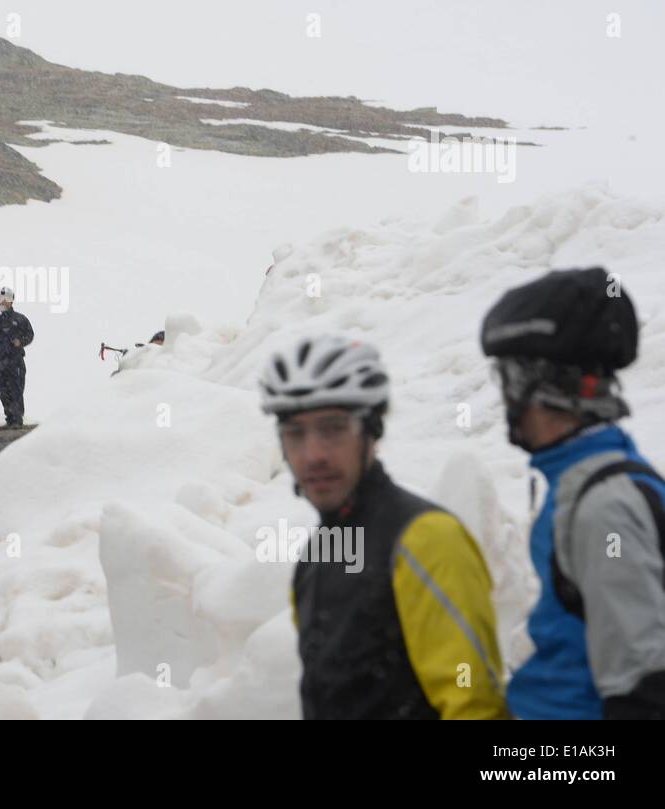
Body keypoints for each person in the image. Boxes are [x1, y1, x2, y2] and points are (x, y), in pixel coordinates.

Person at [260, 334, 508, 719]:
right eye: (295, 434)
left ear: (371, 431)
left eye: (332, 429)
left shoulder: (426, 540)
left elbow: (474, 707)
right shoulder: (315, 557)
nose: (313, 455)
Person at [481, 266, 665, 719]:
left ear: (538, 385)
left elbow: (643, 683)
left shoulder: (604, 506)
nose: (504, 400)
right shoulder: (592, 480)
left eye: (506, 379)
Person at [0, 286, 34, 429]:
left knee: (16, 389)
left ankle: (17, 420)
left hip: (16, 360)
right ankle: (9, 419)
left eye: (7, 298)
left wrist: (20, 341)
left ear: (12, 300)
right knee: (2, 390)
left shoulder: (20, 319)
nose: (3, 301)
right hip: (1, 360)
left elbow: (30, 334)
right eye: (1, 298)